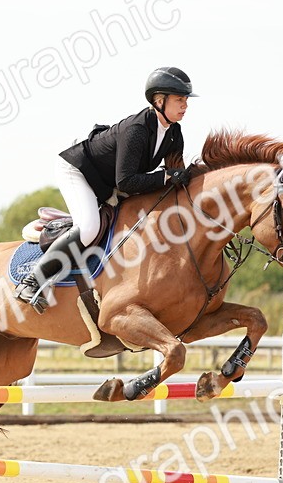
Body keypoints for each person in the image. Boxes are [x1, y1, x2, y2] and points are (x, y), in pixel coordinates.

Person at [16, 66, 196, 313]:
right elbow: (127, 182)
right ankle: (32, 280)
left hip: (107, 180)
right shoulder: (137, 130)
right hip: (78, 170)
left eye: (186, 100)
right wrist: (165, 176)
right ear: (159, 100)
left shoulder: (174, 133)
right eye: (179, 100)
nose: (185, 105)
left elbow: (175, 179)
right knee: (89, 229)